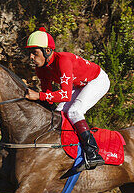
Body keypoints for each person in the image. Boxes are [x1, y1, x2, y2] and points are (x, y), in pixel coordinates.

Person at [23, 29, 111, 171]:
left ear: (47, 51)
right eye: (30, 53)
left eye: (35, 53)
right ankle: (69, 150)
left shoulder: (63, 60)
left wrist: (39, 96)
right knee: (59, 112)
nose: (31, 57)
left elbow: (65, 95)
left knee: (74, 111)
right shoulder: (41, 69)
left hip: (97, 80)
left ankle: (93, 153)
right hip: (80, 84)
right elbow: (49, 96)